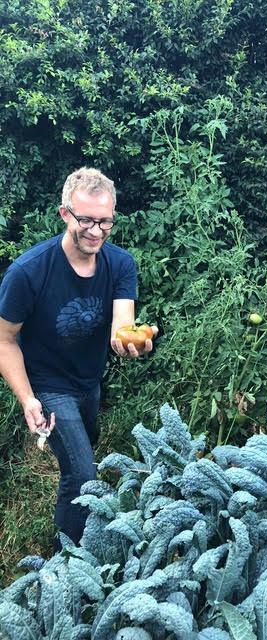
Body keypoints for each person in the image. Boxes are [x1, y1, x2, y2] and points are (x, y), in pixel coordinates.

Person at [0, 167, 156, 549]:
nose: (96, 231)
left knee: (85, 446)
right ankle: (66, 559)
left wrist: (131, 344)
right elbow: (4, 339)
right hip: (47, 384)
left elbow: (124, 324)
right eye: (85, 219)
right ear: (64, 213)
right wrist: (27, 399)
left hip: (88, 381)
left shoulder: (120, 264)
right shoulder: (29, 271)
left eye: (105, 221)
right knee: (83, 473)